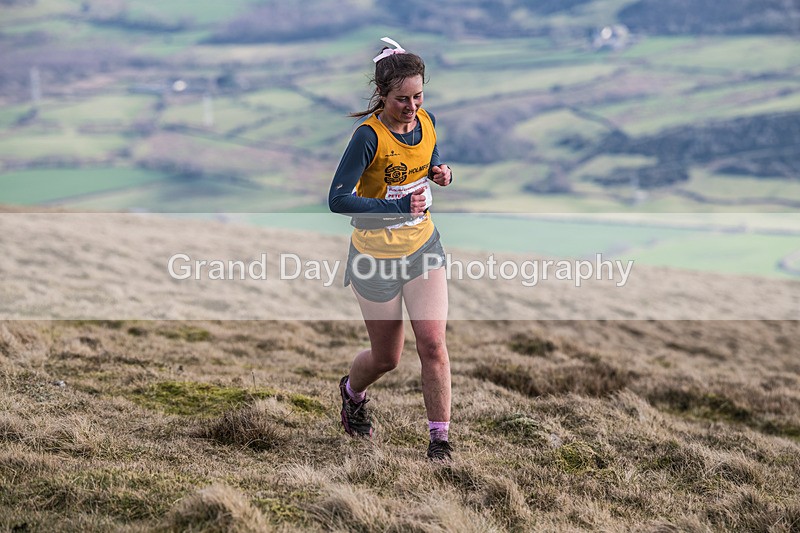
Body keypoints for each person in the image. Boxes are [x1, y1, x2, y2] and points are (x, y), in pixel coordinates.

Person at [328, 37, 454, 461]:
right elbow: (338, 199)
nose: (412, 106)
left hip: (423, 247)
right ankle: (351, 391)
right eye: (403, 99)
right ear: (382, 95)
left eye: (419, 96)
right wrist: (397, 205)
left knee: (433, 345)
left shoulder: (427, 120)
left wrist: (439, 171)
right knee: (387, 358)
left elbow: (427, 153)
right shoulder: (367, 137)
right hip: (374, 258)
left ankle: (440, 441)